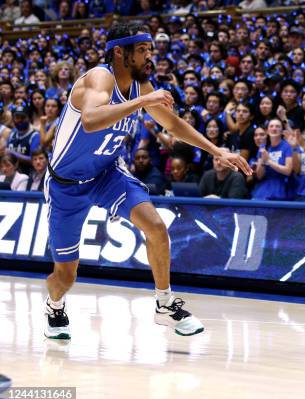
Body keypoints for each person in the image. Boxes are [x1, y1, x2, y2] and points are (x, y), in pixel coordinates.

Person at [43, 22, 251, 340]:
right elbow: (90, 119)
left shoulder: (140, 85)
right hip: (66, 185)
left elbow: (173, 123)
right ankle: (54, 306)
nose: (149, 56)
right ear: (119, 52)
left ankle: (164, 304)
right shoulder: (101, 77)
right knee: (65, 276)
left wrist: (216, 150)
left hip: (106, 173)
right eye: (142, 50)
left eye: (150, 49)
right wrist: (143, 102)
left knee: (155, 226)